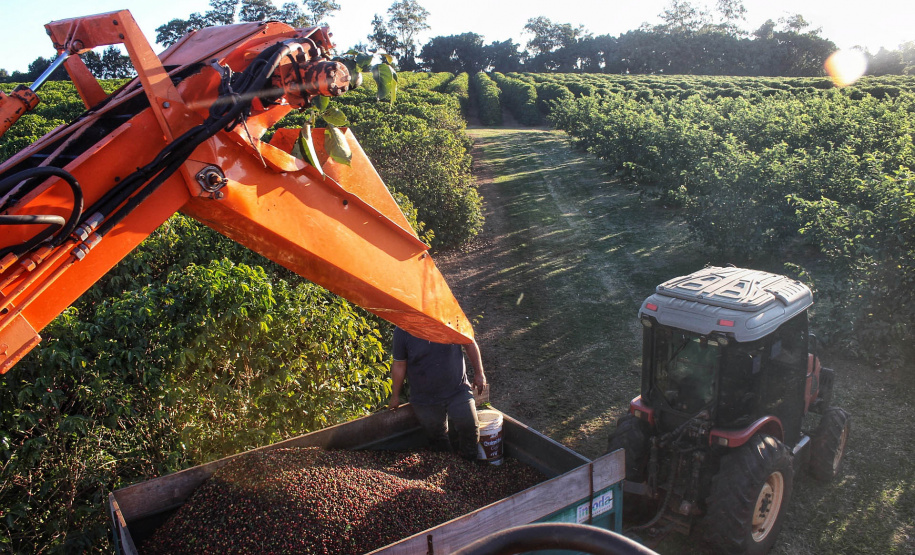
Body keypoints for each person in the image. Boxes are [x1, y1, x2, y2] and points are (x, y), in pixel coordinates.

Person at [388, 326, 487, 460]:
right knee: (437, 437)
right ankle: (446, 465)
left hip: (457, 389)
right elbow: (399, 364)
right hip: (424, 397)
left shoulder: (449, 317)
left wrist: (479, 373)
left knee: (469, 426)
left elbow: (469, 343)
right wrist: (395, 396)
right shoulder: (402, 330)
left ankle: (469, 464)